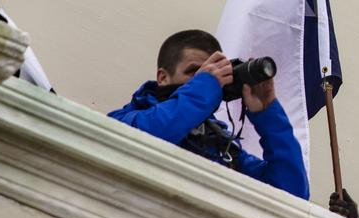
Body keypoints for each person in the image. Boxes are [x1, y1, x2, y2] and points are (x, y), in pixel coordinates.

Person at [108, 29, 310, 200]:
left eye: (213, 73)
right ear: (162, 77)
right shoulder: (125, 119)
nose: (207, 79)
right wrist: (205, 86)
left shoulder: (223, 149)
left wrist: (268, 114)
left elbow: (291, 195)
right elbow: (150, 137)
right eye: (195, 71)